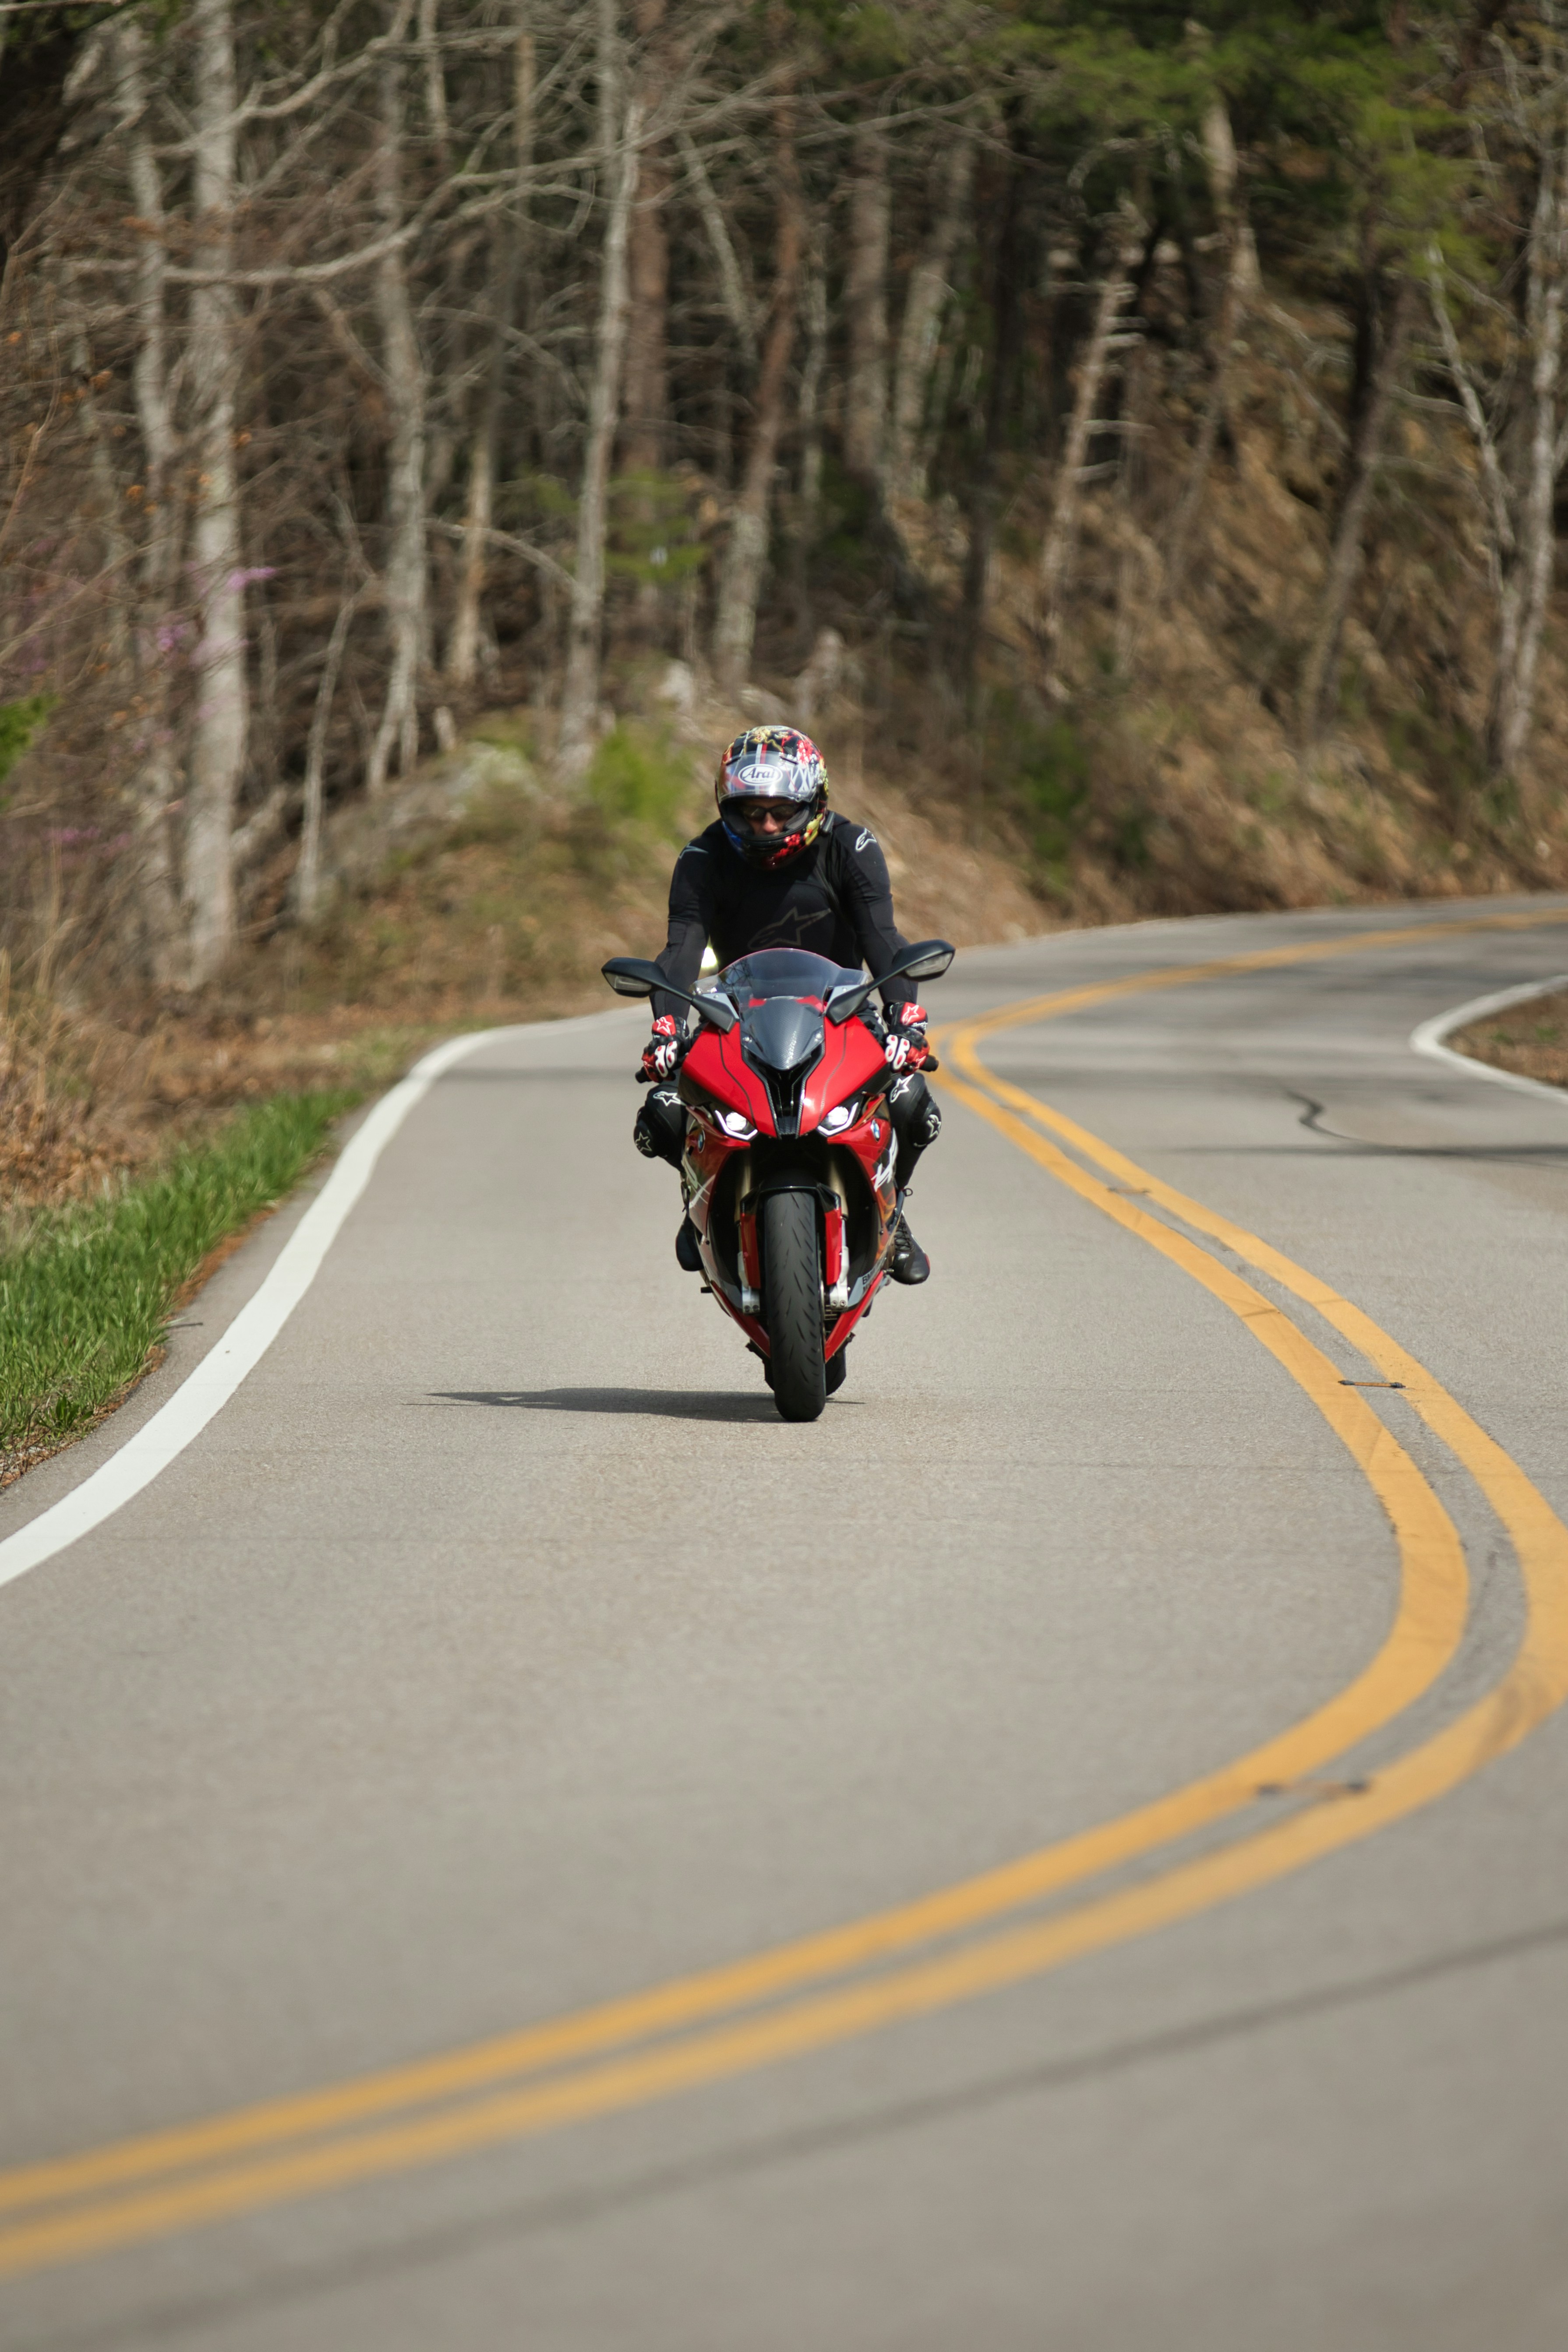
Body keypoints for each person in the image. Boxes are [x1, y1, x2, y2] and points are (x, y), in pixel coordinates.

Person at [632, 724, 942, 1285]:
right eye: (750, 813)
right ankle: (700, 1199)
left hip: (843, 1011)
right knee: (664, 1110)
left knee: (913, 1105)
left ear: (815, 804)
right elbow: (680, 951)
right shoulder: (701, 857)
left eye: (782, 812)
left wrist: (906, 1020)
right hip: (733, 1016)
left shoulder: (852, 846)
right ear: (727, 807)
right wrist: (665, 1030)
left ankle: (893, 1216)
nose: (767, 827)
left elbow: (881, 939)